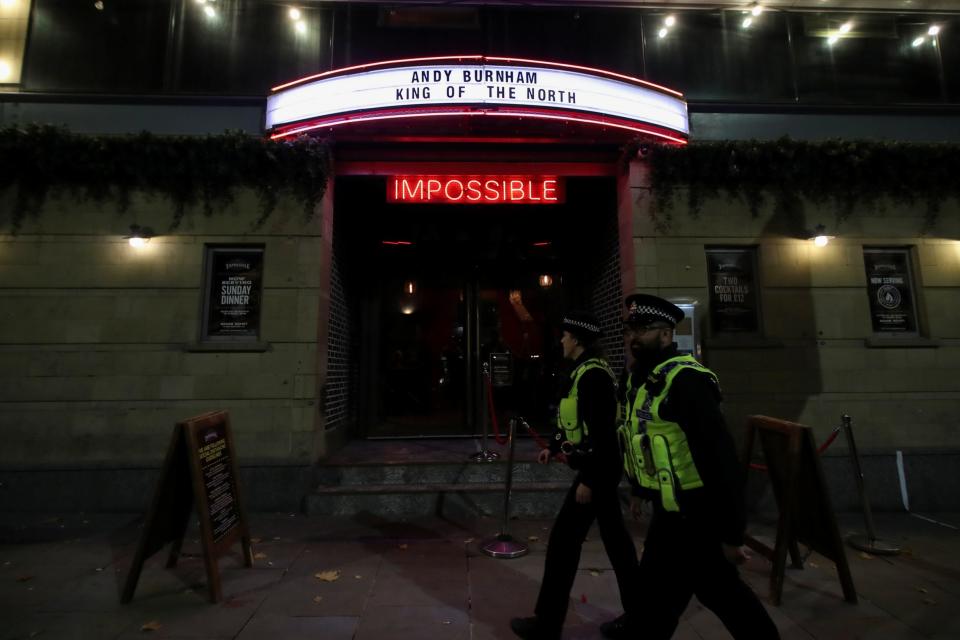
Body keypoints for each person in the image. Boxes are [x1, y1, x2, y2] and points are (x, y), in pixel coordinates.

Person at [607, 293, 780, 639]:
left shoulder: (687, 381)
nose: (633, 338)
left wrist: (732, 533)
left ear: (667, 335)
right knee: (660, 592)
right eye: (630, 330)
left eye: (642, 330)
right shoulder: (641, 380)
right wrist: (641, 491)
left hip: (697, 515)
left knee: (718, 591)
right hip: (670, 515)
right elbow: (641, 440)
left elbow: (721, 462)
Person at [510, 311, 640, 640]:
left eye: (566, 335)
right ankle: (641, 618)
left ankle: (547, 624)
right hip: (599, 471)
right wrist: (554, 447)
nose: (561, 340)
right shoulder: (584, 372)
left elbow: (604, 435)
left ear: (578, 340)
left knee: (563, 544)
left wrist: (590, 481)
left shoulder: (593, 376)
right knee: (618, 546)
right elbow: (576, 419)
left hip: (597, 473)